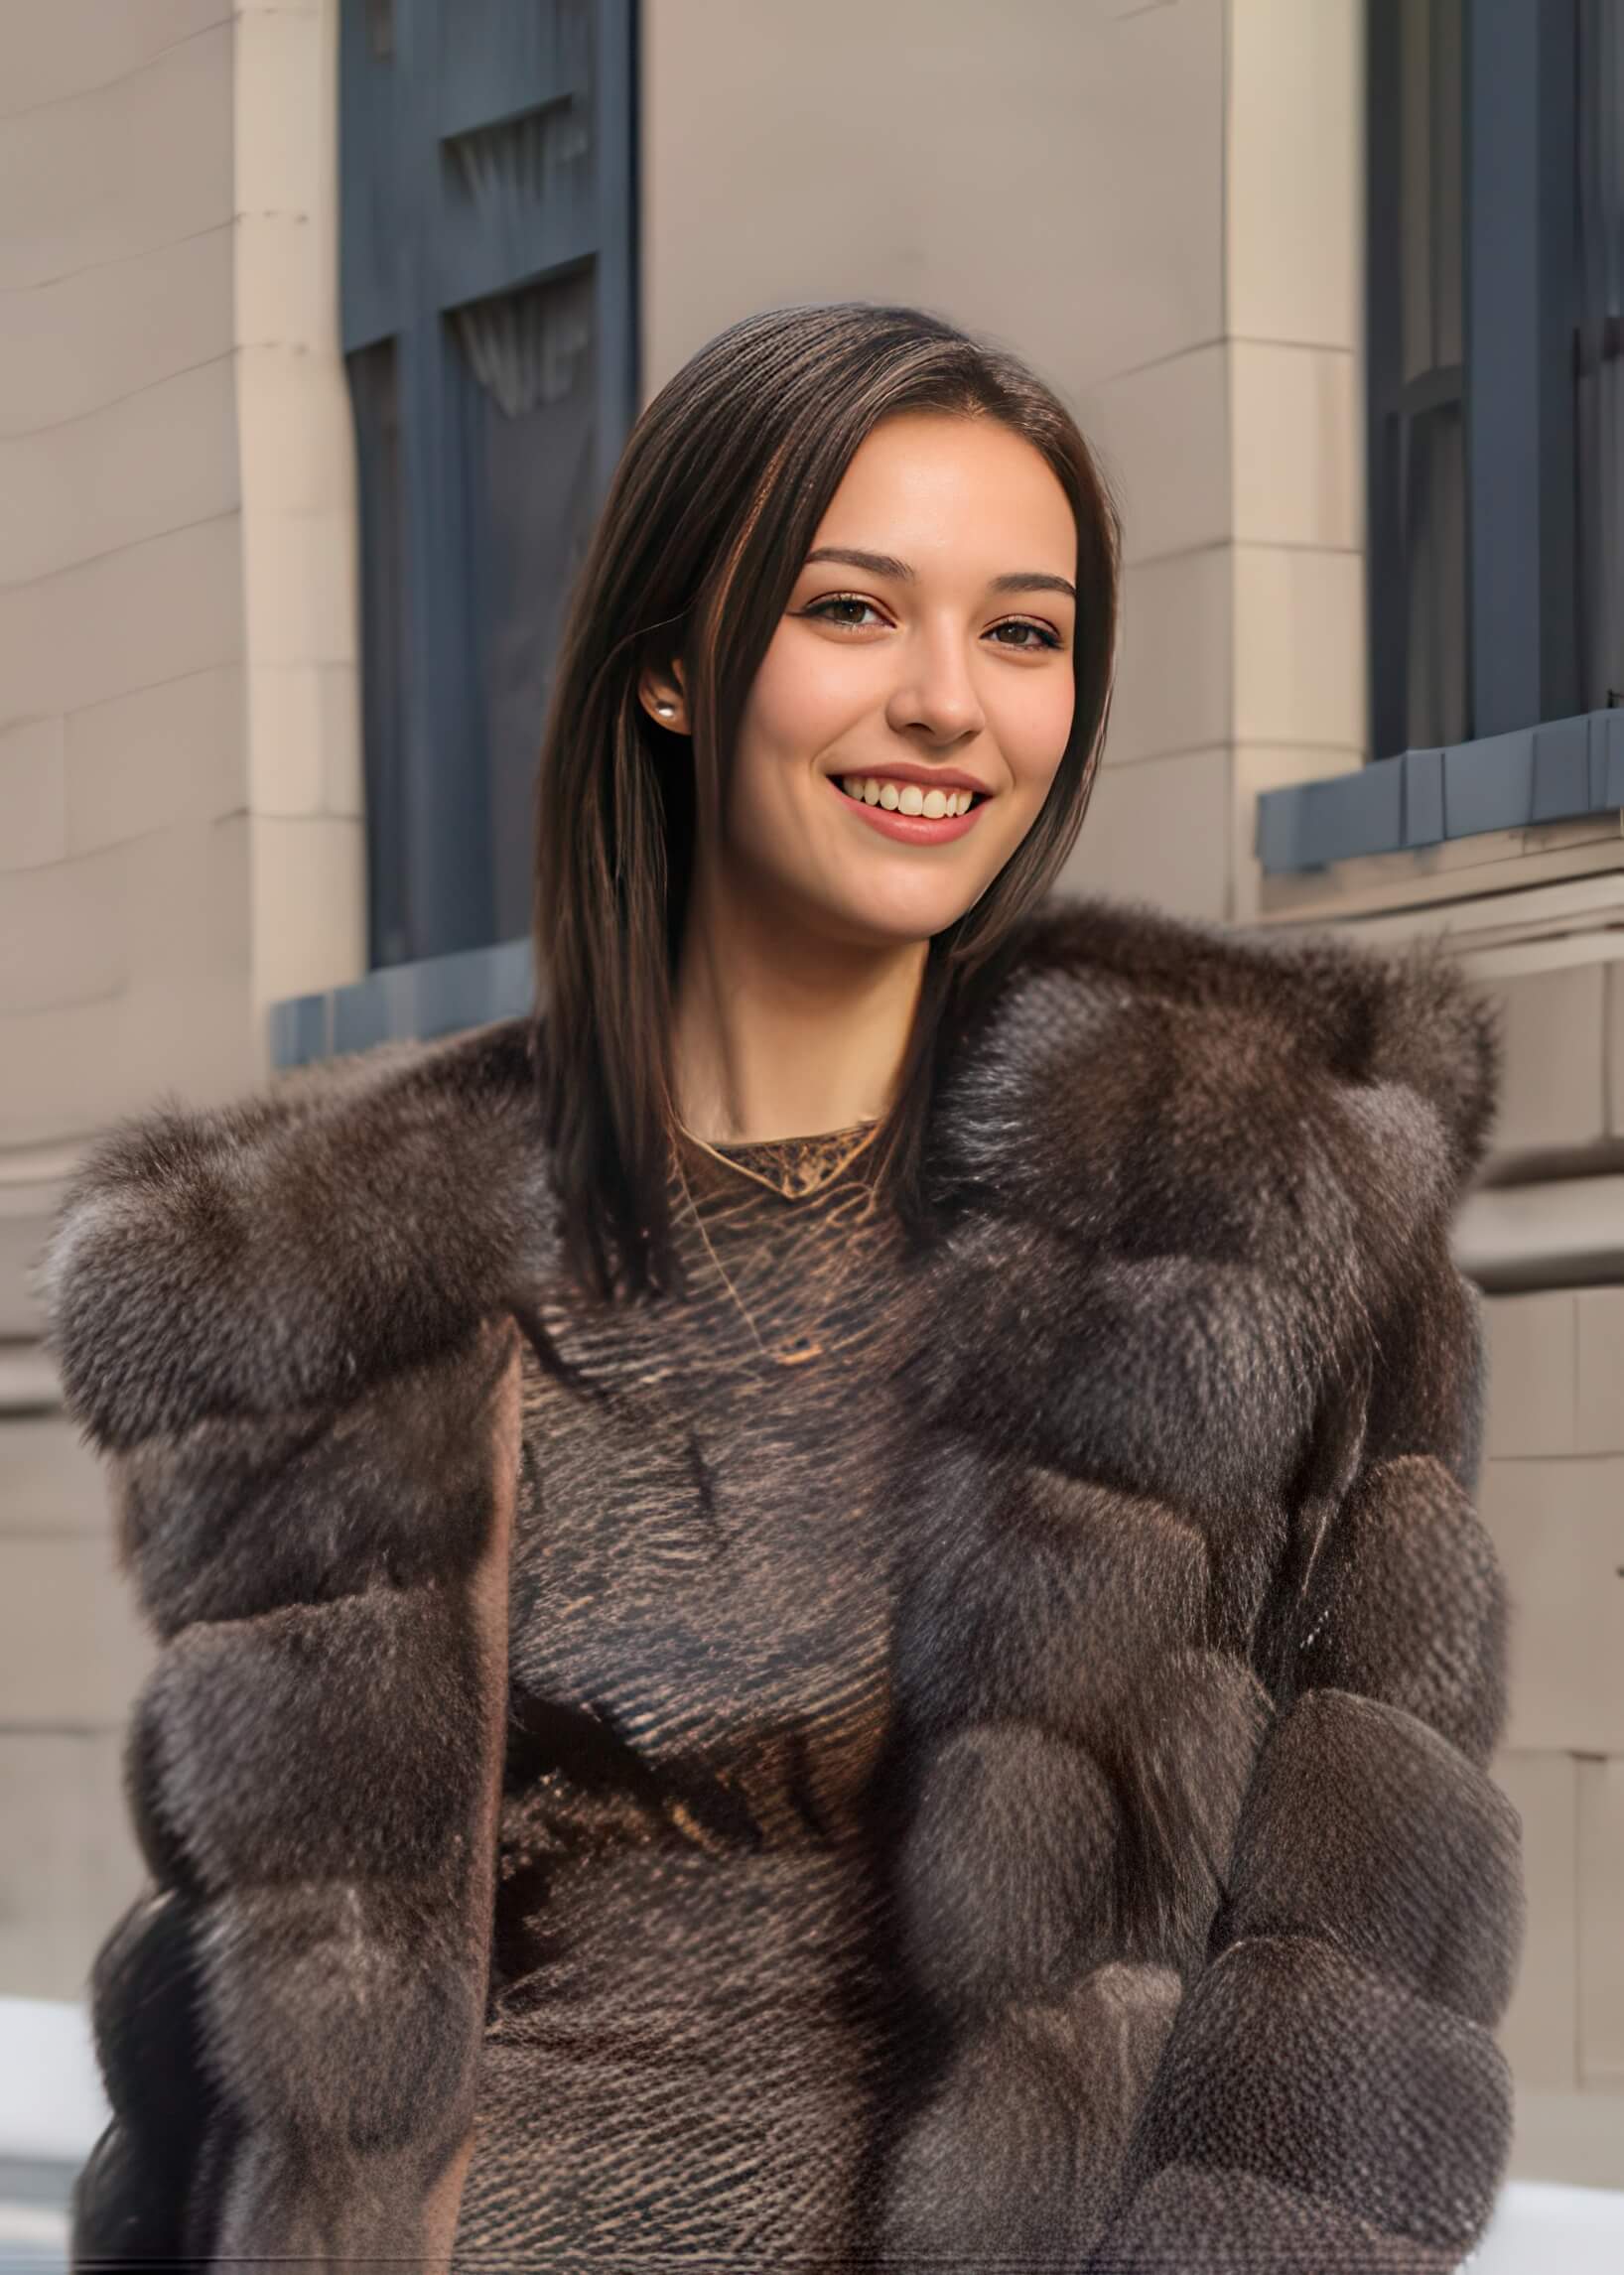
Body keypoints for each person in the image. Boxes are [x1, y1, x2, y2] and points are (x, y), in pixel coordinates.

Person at [39, 302, 1523, 2272]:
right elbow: (233, 2033)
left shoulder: (1242, 1214)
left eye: (1020, 631)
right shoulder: (328, 1296)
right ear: (670, 668)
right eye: (850, 611)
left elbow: (1335, 2041)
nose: (946, 704)